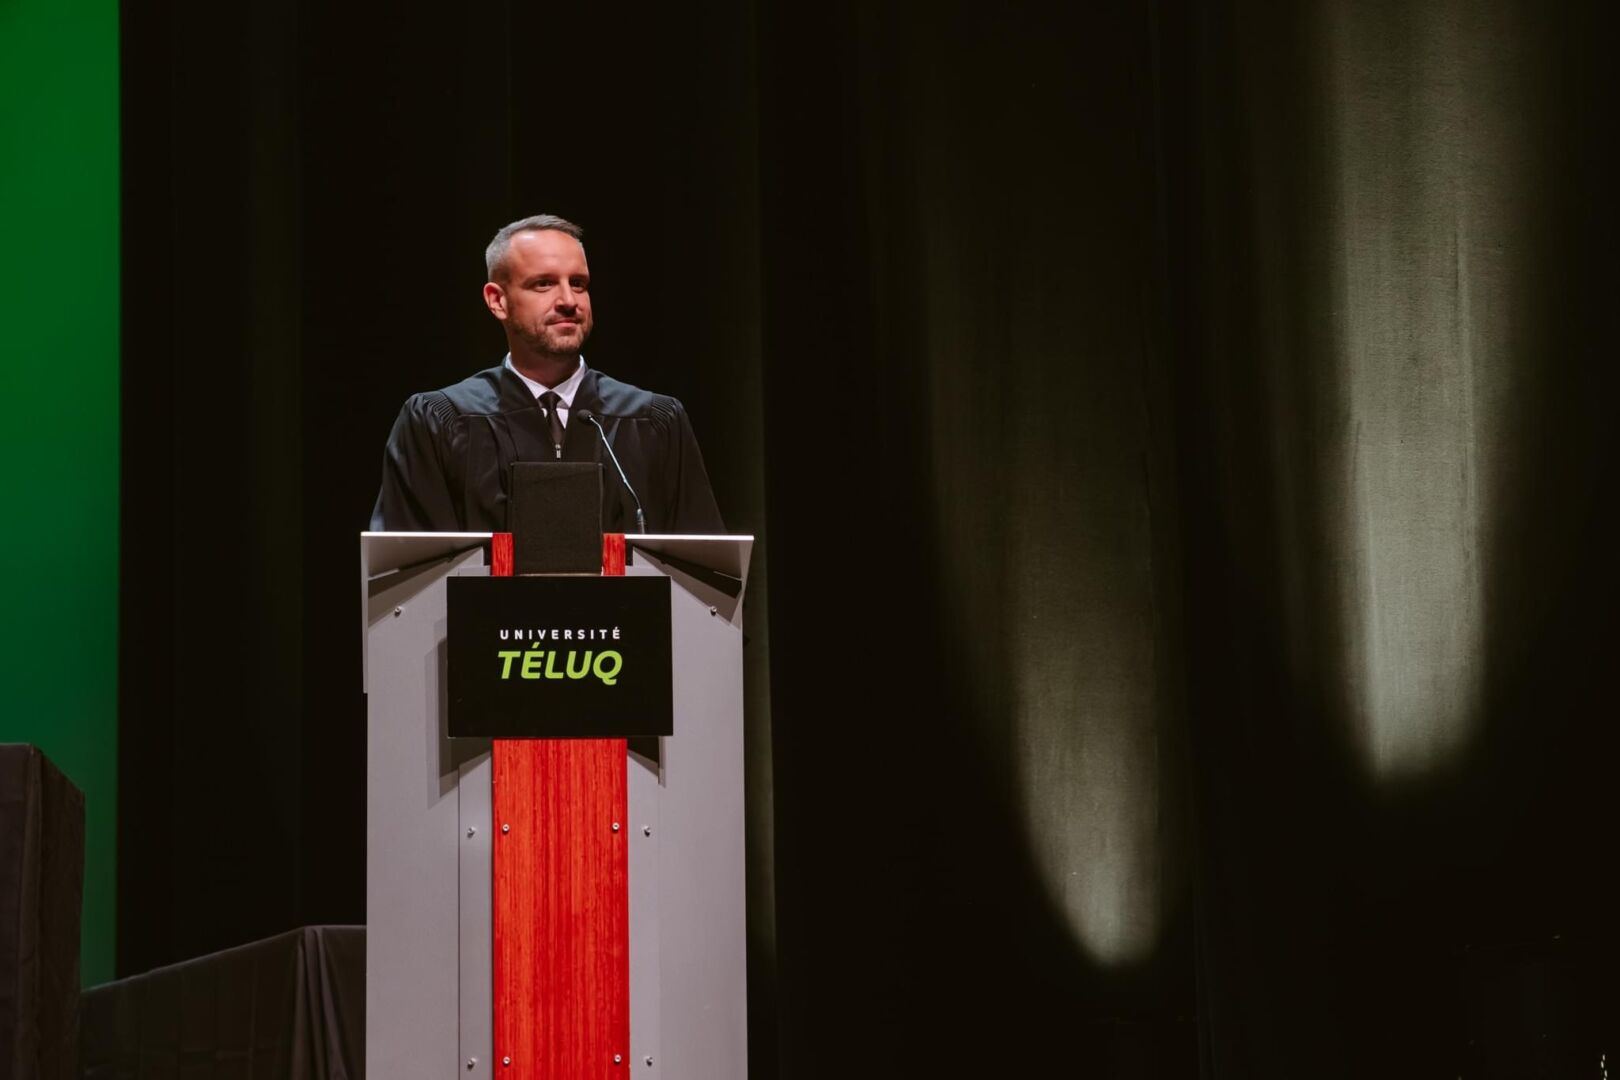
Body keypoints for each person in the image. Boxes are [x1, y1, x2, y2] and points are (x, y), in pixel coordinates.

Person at [370, 214, 724, 534]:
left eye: (579, 283)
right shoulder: (440, 422)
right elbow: (412, 575)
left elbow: (701, 571)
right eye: (543, 284)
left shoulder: (652, 421)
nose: (569, 300)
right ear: (498, 301)